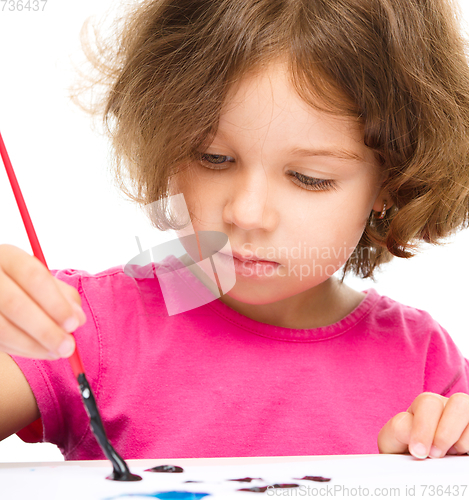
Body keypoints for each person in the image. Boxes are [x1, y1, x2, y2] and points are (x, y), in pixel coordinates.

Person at [1, 0, 469, 461]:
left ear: (391, 182)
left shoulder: (425, 363)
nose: (246, 213)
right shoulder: (78, 326)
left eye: (309, 177)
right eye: (214, 159)